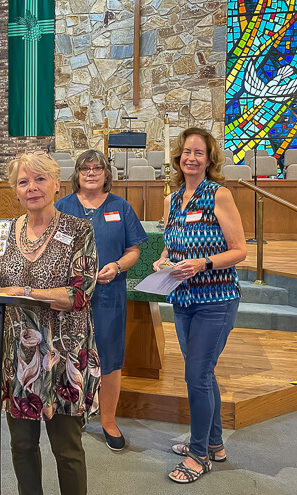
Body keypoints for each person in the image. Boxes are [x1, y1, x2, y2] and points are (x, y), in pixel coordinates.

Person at [0, 150, 100, 495]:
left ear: (57, 184)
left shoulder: (79, 230)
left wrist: (23, 290)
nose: (32, 187)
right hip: (19, 358)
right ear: (15, 190)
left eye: (40, 179)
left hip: (65, 354)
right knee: (22, 446)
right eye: (23, 181)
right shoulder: (2, 232)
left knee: (67, 450)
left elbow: (78, 295)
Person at [152, 128, 246, 483]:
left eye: (199, 153)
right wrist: (163, 260)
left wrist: (203, 263)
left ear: (209, 159)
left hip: (216, 299)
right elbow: (170, 245)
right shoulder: (172, 200)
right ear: (178, 157)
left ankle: (197, 454)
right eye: (187, 152)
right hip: (183, 298)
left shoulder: (219, 195)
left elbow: (240, 250)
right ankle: (216, 444)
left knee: (196, 374)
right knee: (202, 374)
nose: (192, 158)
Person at [55, 149, 147, 451]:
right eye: (85, 168)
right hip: (70, 296)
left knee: (109, 359)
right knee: (70, 355)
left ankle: (108, 420)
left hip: (109, 295)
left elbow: (134, 249)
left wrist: (118, 265)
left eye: (97, 168)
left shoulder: (120, 207)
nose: (91, 173)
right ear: (77, 175)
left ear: (107, 174)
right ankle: (73, 415)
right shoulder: (61, 207)